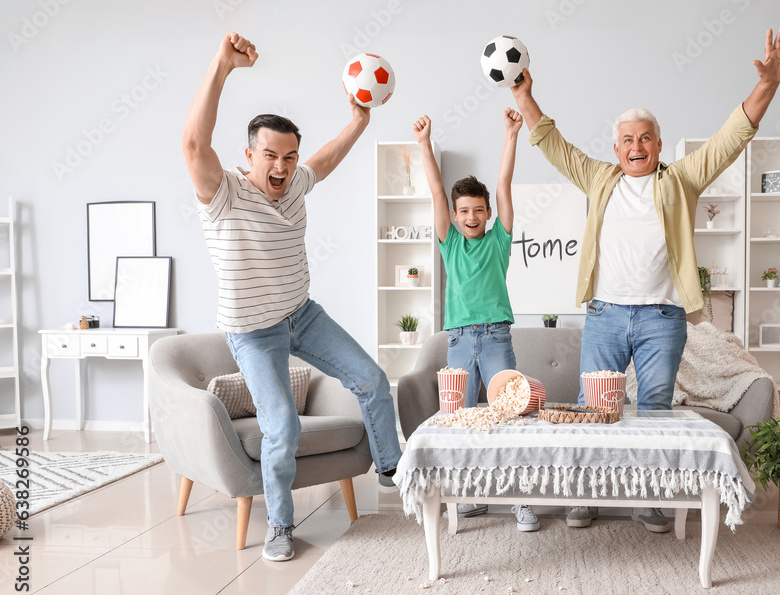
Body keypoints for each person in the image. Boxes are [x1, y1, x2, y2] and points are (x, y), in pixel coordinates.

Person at [509, 26, 780, 533]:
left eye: (645, 137)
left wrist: (769, 85)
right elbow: (554, 145)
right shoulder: (600, 178)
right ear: (617, 147)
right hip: (605, 315)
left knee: (653, 415)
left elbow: (731, 138)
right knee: (594, 413)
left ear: (659, 144)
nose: (636, 145)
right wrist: (524, 95)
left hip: (662, 319)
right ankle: (586, 495)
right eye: (627, 139)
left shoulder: (681, 179)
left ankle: (649, 499)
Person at [182, 33, 402, 561]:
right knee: (281, 425)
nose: (281, 167)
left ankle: (394, 470)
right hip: (253, 333)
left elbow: (322, 163)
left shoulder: (297, 182)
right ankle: (280, 526)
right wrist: (221, 65)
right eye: (269, 156)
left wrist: (359, 122)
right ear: (248, 155)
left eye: (289, 156)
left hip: (301, 314)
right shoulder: (223, 195)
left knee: (371, 379)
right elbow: (193, 144)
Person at [412, 109, 539, 533]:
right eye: (463, 210)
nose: (470, 217)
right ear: (455, 214)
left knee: (511, 416)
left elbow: (503, 184)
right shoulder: (449, 244)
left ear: (488, 214)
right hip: (460, 342)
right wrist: (424, 146)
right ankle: (467, 495)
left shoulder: (499, 239)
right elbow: (434, 191)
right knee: (462, 421)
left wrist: (510, 134)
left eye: (477, 210)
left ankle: (522, 501)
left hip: (496, 337)